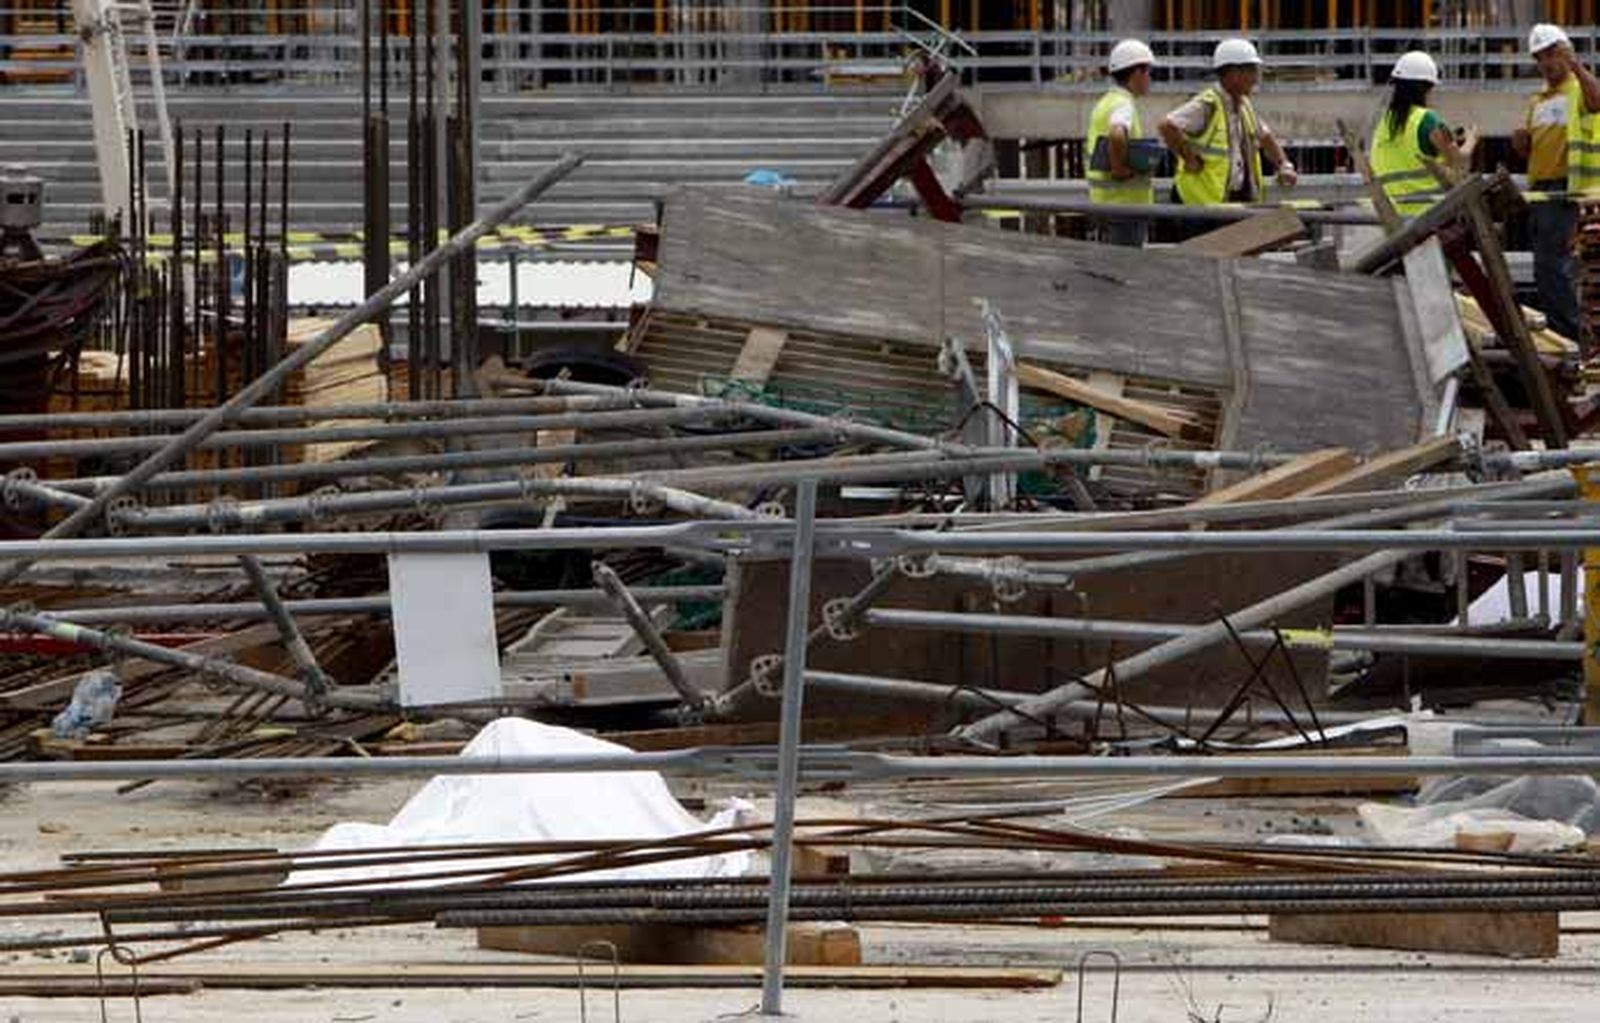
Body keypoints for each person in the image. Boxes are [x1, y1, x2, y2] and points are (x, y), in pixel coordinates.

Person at [1512, 23, 1600, 344]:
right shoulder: (1538, 101)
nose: (1546, 63)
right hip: (1542, 192)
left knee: (1557, 267)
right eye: (1540, 57)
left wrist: (1576, 65)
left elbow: (1597, 101)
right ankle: (1566, 334)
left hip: (1569, 189)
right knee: (1547, 269)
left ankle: (1571, 336)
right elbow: (1530, 151)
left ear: (1565, 52)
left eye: (1551, 54)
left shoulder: (1578, 88)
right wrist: (1521, 143)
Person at [1158, 38, 1297, 220]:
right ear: (1233, 73)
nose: (1255, 79)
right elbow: (1167, 126)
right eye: (1251, 71)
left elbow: (1265, 137)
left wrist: (1284, 165)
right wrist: (1189, 159)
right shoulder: (1208, 104)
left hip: (1229, 203)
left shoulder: (1244, 106)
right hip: (1199, 207)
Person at [1369, 51, 1477, 218]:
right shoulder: (1427, 120)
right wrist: (1471, 140)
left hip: (1393, 217)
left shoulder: (1384, 121)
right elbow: (1459, 164)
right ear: (1427, 87)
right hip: (1430, 216)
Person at [1086, 38, 1156, 247]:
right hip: (1124, 207)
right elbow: (1117, 134)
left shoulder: (1105, 102)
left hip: (1103, 203)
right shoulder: (1123, 104)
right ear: (1136, 73)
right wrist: (1119, 170)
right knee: (1127, 264)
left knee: (1111, 264)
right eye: (1148, 72)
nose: (1150, 78)